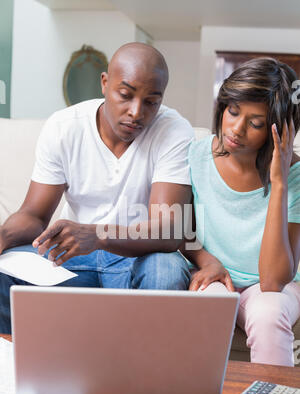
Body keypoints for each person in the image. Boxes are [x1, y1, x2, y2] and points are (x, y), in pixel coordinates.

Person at [0, 42, 217, 334]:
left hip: (137, 259)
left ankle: (141, 372)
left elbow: (169, 230)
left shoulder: (173, 131)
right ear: (104, 83)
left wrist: (98, 234)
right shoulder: (64, 127)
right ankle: (20, 370)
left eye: (151, 101)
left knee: (165, 270)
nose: (136, 112)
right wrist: (3, 236)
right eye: (125, 95)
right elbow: (34, 215)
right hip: (71, 260)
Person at [183, 57, 300, 367]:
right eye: (233, 111)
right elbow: (180, 231)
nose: (236, 128)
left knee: (268, 313)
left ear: (281, 129)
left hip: (275, 287)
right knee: (210, 306)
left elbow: (274, 281)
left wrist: (279, 182)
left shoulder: (296, 176)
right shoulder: (194, 156)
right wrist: (206, 262)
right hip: (217, 277)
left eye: (256, 123)